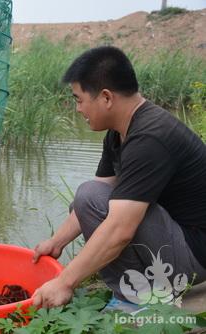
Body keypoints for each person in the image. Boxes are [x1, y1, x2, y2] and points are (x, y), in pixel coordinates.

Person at [32, 46, 206, 310]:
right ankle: (132, 290)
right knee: (85, 200)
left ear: (106, 98)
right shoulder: (119, 132)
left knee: (94, 201)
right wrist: (56, 243)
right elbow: (89, 203)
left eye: (79, 99)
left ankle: (136, 299)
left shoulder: (150, 138)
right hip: (173, 237)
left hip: (194, 255)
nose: (78, 109)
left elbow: (120, 230)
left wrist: (64, 282)